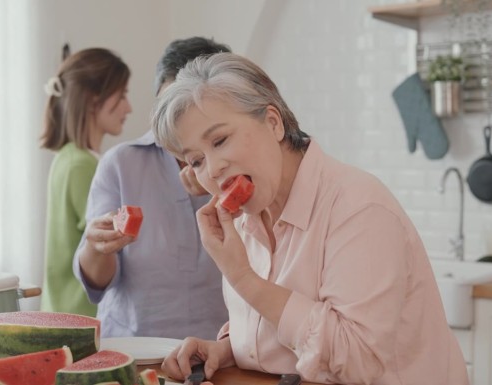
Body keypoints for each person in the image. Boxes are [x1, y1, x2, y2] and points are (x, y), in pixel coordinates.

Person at [151, 53, 470, 385]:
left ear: (273, 123)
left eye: (220, 140)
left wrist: (243, 277)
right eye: (196, 161)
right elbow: (287, 334)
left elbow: (358, 362)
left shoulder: (358, 208)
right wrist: (227, 348)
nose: (213, 169)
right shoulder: (247, 220)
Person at [73, 37, 231, 339]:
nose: (177, 119)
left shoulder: (242, 167)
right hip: (134, 349)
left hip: (224, 349)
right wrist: (97, 246)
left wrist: (219, 187)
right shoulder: (120, 163)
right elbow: (97, 281)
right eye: (169, 103)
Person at [40, 48, 132, 316]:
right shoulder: (82, 165)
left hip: (63, 311)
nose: (129, 107)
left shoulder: (69, 158)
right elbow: (110, 239)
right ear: (94, 99)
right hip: (80, 315)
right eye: (122, 95)